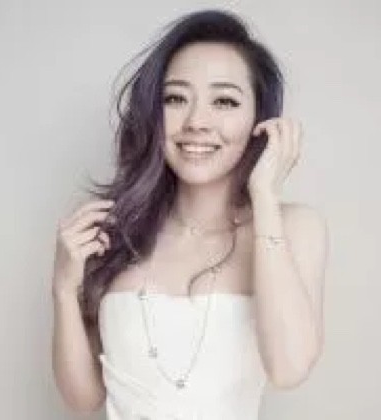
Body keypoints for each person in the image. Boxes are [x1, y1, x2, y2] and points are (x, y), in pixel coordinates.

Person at [51, 8, 329, 420]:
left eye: (224, 101)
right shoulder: (112, 230)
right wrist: (62, 290)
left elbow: (288, 368)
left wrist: (265, 197)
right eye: (175, 98)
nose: (197, 121)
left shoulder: (294, 227)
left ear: (259, 119)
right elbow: (83, 398)